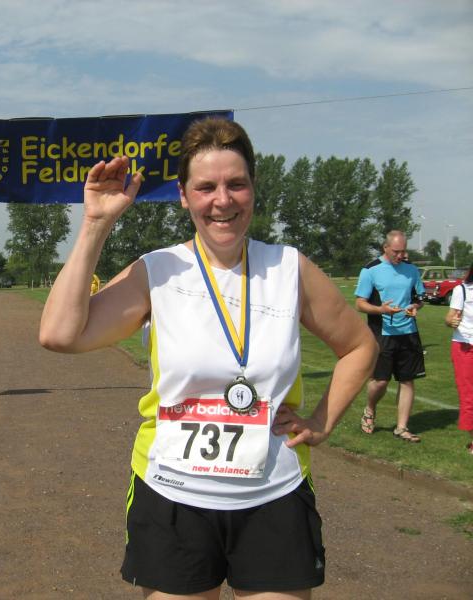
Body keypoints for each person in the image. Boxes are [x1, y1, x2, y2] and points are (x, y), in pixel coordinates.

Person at [39, 118, 377, 599]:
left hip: (273, 493)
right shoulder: (158, 271)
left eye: (236, 184)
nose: (223, 200)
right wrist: (96, 223)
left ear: (253, 189)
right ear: (183, 195)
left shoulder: (288, 269)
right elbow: (58, 334)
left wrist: (322, 422)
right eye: (206, 187)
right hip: (172, 494)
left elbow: (360, 346)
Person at [355, 230, 425, 442]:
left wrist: (415, 307)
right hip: (382, 333)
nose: (400, 255)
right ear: (385, 247)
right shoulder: (370, 270)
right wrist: (381, 310)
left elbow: (419, 299)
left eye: (403, 251)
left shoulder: (411, 270)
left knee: (407, 380)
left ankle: (401, 428)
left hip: (409, 333)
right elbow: (360, 304)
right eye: (396, 251)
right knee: (380, 382)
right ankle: (370, 409)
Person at [445, 262, 473, 454]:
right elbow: (449, 317)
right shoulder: (461, 290)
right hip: (465, 346)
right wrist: (452, 321)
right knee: (468, 394)